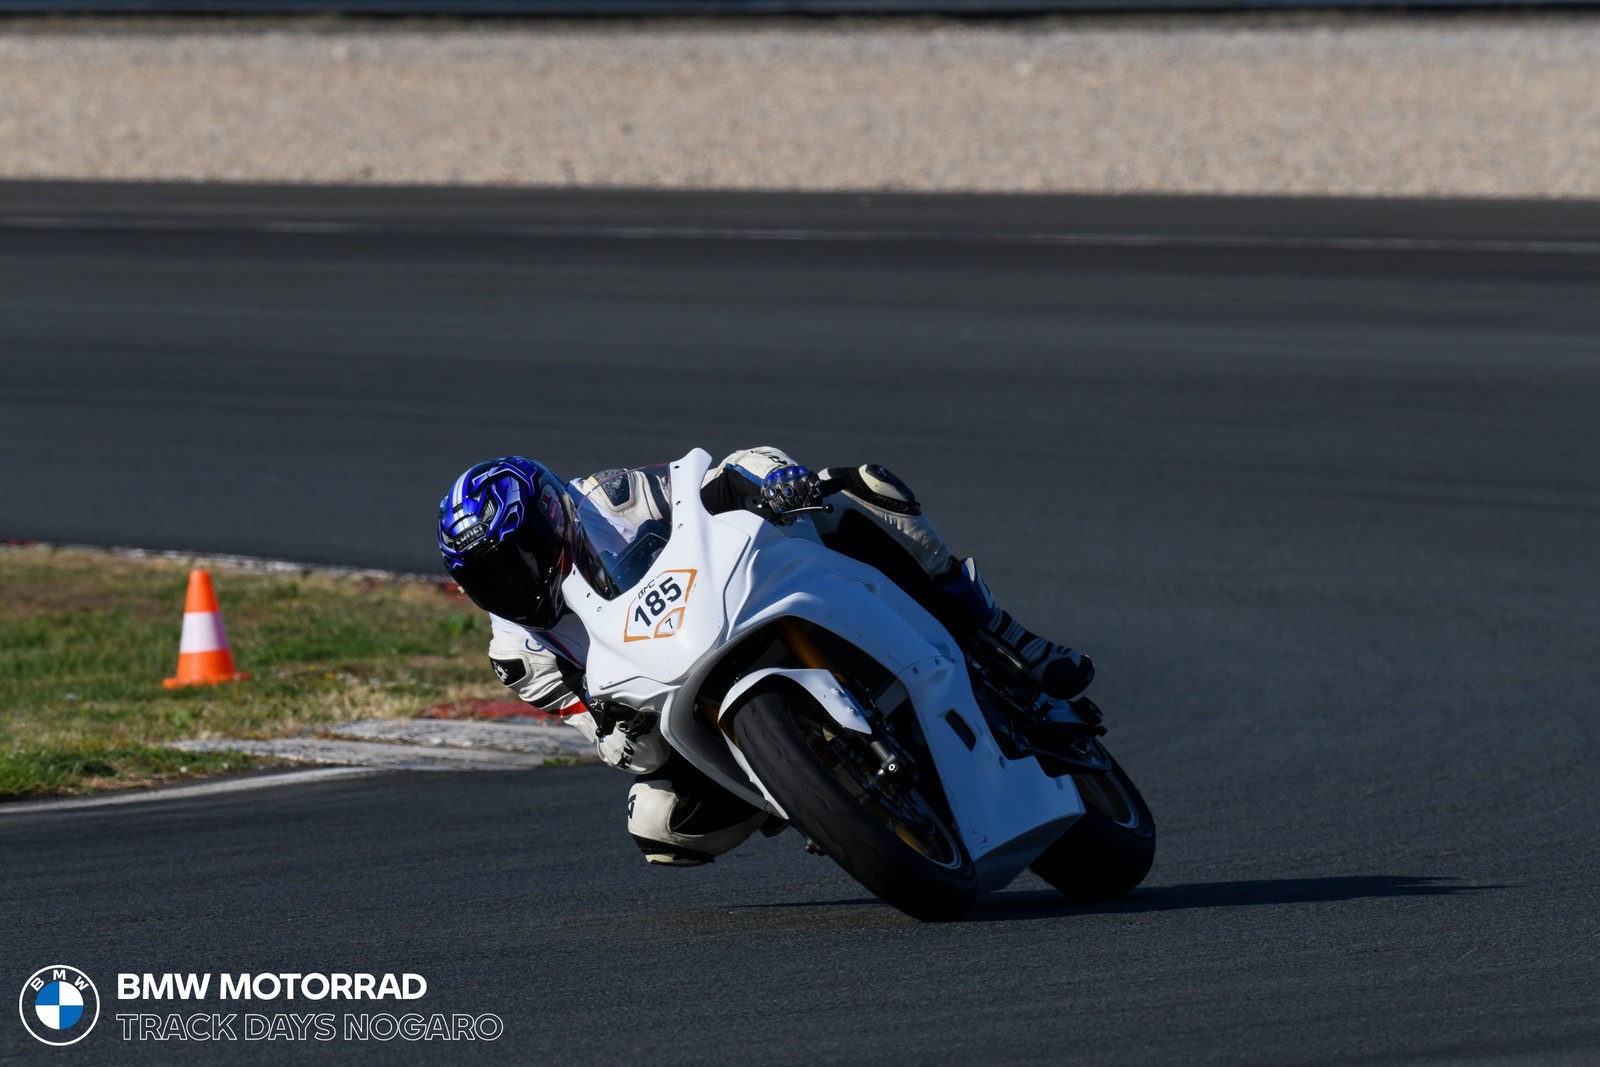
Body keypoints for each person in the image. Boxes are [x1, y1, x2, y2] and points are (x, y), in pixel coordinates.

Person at [437, 447, 1094, 867]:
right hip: (669, 697)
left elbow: (709, 479)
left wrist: (769, 476)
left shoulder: (609, 499)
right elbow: (595, 730)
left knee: (859, 491)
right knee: (658, 824)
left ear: (554, 513)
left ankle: (1006, 637)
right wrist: (617, 734)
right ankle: (813, 792)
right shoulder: (522, 653)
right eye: (495, 577)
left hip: (722, 596)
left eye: (523, 554)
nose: (517, 579)